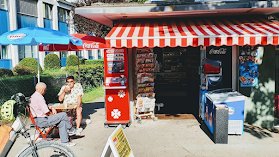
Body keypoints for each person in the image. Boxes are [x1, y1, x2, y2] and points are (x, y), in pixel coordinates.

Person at [29, 82, 76, 146]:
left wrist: (50, 107)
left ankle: (65, 142)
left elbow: (40, 107)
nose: (44, 92)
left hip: (37, 120)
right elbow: (46, 112)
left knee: (62, 122)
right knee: (63, 115)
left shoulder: (33, 96)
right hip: (43, 120)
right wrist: (54, 115)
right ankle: (71, 130)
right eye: (45, 90)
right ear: (42, 90)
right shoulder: (40, 98)